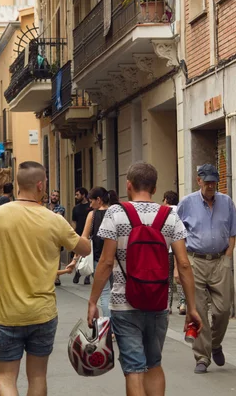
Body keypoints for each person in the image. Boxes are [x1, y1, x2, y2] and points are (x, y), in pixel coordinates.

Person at [89, 162, 202, 395]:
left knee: (133, 368)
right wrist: (191, 306)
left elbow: (106, 262)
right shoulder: (170, 215)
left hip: (123, 303)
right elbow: (183, 264)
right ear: (155, 186)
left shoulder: (116, 213)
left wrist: (93, 301)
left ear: (128, 185)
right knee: (154, 363)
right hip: (158, 302)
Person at [0, 161, 91, 396]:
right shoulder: (54, 219)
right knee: (38, 376)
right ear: (40, 185)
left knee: (5, 377)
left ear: (19, 184)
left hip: (7, 311)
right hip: (43, 311)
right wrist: (89, 224)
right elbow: (84, 249)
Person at [177, 163, 236, 374]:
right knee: (197, 310)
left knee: (223, 309)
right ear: (199, 181)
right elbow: (176, 236)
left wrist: (228, 257)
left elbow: (233, 232)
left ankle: (215, 344)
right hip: (194, 260)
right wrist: (179, 266)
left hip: (219, 260)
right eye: (206, 182)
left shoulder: (226, 202)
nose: (210, 185)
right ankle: (202, 357)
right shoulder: (186, 203)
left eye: (213, 182)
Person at [75, 187, 113, 317]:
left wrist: (76, 258)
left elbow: (84, 238)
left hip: (99, 259)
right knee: (117, 293)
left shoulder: (92, 215)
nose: (90, 205)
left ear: (99, 200)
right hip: (117, 260)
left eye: (91, 202)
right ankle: (116, 327)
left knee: (105, 293)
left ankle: (109, 327)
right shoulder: (116, 213)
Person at [163, 190, 184, 315]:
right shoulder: (181, 210)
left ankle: (168, 305)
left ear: (166, 199)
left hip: (168, 249)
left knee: (168, 278)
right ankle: (182, 303)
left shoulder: (164, 212)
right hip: (180, 247)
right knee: (181, 276)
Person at [72, 187, 92, 285]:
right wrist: (73, 232)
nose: (76, 197)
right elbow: (74, 222)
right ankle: (78, 272)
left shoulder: (90, 207)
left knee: (88, 255)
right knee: (78, 254)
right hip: (79, 234)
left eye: (77, 194)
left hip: (90, 234)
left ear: (83, 195)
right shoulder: (75, 208)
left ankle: (87, 275)